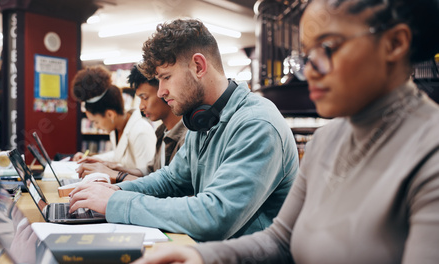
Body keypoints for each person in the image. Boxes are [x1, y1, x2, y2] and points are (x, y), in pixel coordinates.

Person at [132, 0, 439, 263]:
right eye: (306, 53)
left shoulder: (430, 152)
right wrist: (202, 256)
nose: (307, 70)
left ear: (395, 44)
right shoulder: (327, 140)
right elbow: (280, 240)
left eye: (328, 48)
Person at [69, 18, 299, 242]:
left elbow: (215, 216)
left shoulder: (257, 125)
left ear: (198, 66)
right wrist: (114, 190)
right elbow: (170, 180)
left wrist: (115, 203)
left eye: (166, 77)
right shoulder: (203, 119)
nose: (160, 92)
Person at [76, 64, 188, 183]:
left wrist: (118, 175)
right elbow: (151, 172)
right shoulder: (161, 133)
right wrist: (113, 168)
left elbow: (167, 188)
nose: (141, 106)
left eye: (144, 98)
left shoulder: (187, 138)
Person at [71, 65, 156, 173]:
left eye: (95, 122)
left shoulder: (140, 131)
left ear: (110, 114)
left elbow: (149, 175)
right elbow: (118, 156)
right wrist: (94, 159)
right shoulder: (117, 129)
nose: (96, 126)